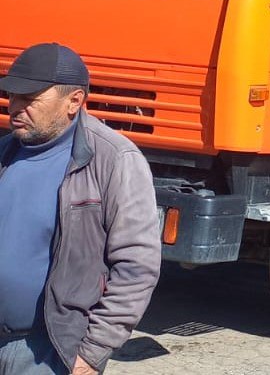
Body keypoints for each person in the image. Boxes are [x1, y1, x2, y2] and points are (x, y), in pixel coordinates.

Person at [0, 43, 161, 375]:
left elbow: (137, 267)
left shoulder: (114, 160)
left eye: (29, 99)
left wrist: (92, 352)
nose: (14, 107)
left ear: (73, 101)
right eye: (12, 96)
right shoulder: (5, 152)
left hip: (47, 351)